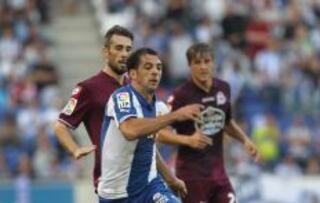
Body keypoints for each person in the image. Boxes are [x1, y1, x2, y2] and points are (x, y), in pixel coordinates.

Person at [53, 26, 185, 196]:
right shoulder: (88, 88)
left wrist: (170, 178)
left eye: (128, 49)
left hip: (143, 181)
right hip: (113, 184)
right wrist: (75, 149)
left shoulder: (138, 88)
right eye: (118, 48)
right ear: (106, 52)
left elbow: (146, 142)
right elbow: (60, 126)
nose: (124, 54)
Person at [158, 43, 260, 203]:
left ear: (214, 62)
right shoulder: (180, 96)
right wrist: (188, 140)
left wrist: (244, 140)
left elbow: (226, 122)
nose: (203, 67)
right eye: (197, 63)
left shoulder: (224, 88)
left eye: (207, 61)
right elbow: (159, 133)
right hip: (191, 176)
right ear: (189, 66)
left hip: (218, 174)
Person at [98, 48, 202, 202]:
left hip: (149, 188)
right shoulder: (122, 97)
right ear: (133, 74)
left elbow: (150, 146)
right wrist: (175, 115)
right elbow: (130, 130)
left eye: (158, 68)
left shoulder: (158, 108)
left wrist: (171, 179)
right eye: (148, 67)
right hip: (116, 195)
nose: (155, 72)